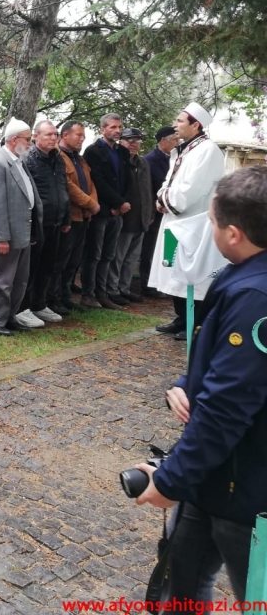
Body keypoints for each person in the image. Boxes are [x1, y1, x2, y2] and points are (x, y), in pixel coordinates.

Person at [135, 166, 267, 611]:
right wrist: (186, 383)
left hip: (243, 487)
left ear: (233, 234)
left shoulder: (256, 299)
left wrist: (172, 480)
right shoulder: (244, 278)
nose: (209, 230)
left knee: (255, 596)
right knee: (182, 581)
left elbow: (228, 407)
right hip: (212, 477)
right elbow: (223, 358)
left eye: (211, 222)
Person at [149, 102, 226, 337]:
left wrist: (166, 201)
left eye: (180, 121)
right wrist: (162, 198)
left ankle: (195, 322)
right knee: (173, 269)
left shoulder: (207, 150)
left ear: (195, 125)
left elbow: (191, 190)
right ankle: (182, 318)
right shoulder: (185, 150)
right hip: (175, 220)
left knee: (192, 273)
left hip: (193, 222)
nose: (175, 125)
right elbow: (168, 182)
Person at [0, 119, 40, 337]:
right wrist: (1, 237)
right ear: (15, 139)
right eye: (28, 139)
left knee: (19, 280)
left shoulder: (19, 162)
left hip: (22, 233)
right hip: (6, 236)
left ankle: (9, 317)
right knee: (2, 280)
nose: (31, 143)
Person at [20, 120, 71, 326]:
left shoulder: (58, 159)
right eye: (48, 134)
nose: (53, 138)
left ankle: (39, 304)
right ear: (36, 136)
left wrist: (66, 217)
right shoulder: (28, 159)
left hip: (56, 221)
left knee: (48, 266)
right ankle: (23, 307)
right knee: (30, 267)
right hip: (37, 223)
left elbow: (63, 187)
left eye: (55, 134)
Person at [81, 113, 131, 310]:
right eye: (112, 127)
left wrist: (122, 204)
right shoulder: (93, 152)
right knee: (94, 255)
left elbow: (127, 180)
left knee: (109, 255)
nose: (117, 131)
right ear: (102, 129)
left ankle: (103, 294)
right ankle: (88, 294)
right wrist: (117, 203)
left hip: (118, 212)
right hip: (101, 210)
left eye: (119, 127)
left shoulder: (123, 152)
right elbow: (98, 181)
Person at [52, 121, 100, 313]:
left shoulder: (79, 159)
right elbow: (68, 186)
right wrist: (89, 203)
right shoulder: (58, 157)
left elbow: (90, 183)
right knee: (61, 261)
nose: (82, 138)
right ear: (65, 135)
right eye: (79, 135)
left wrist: (91, 204)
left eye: (83, 135)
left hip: (83, 218)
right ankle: (54, 298)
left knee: (74, 261)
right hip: (68, 218)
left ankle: (66, 296)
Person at [109, 128, 153, 303]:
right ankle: (112, 290)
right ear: (121, 142)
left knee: (132, 258)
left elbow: (148, 190)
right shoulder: (118, 161)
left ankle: (124, 288)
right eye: (129, 140)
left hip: (141, 219)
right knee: (117, 257)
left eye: (137, 140)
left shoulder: (143, 163)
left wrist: (149, 212)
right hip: (124, 217)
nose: (133, 143)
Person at [140, 125, 181, 297]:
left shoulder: (175, 158)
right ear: (163, 140)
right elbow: (151, 187)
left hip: (169, 210)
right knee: (150, 249)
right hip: (155, 211)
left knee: (166, 248)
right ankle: (148, 284)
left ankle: (162, 283)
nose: (177, 143)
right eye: (175, 140)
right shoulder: (151, 160)